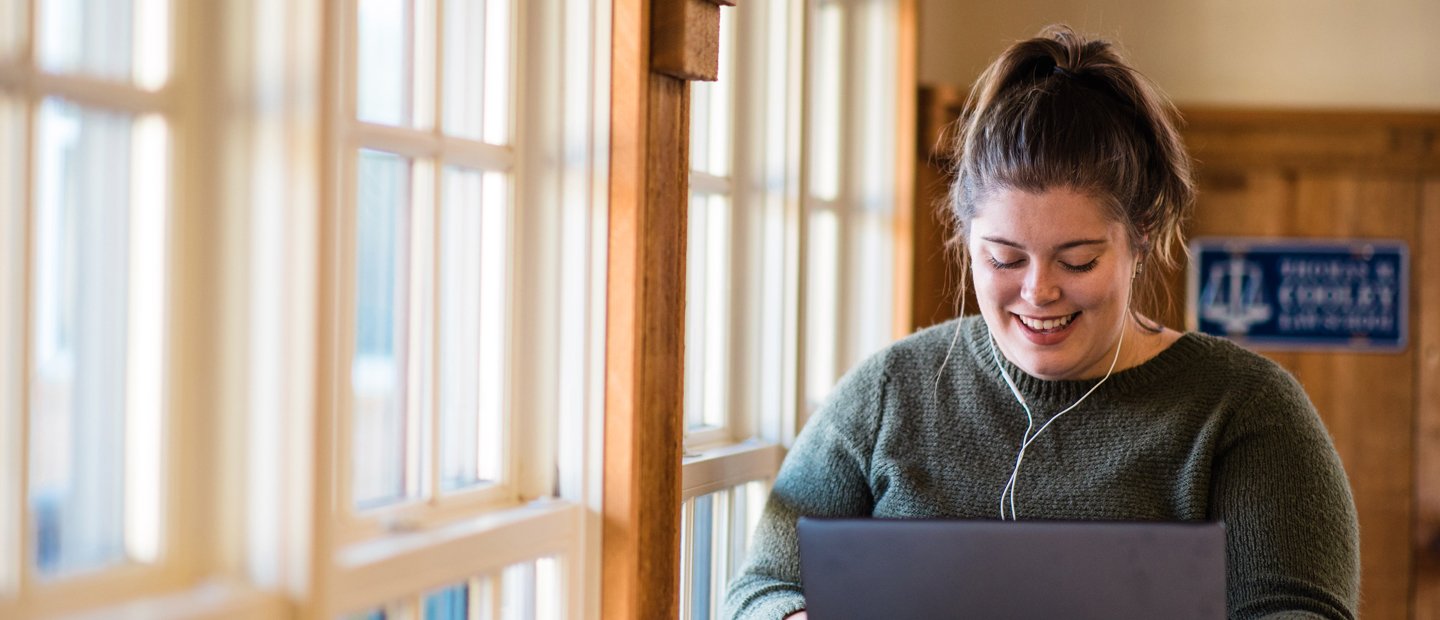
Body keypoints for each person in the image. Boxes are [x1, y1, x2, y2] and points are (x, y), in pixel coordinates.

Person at [724, 25, 1359, 620]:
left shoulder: (1246, 410)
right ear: (965, 237)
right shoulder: (892, 389)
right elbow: (763, 585)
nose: (1038, 291)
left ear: (1141, 237)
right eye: (1004, 257)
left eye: (1077, 260)